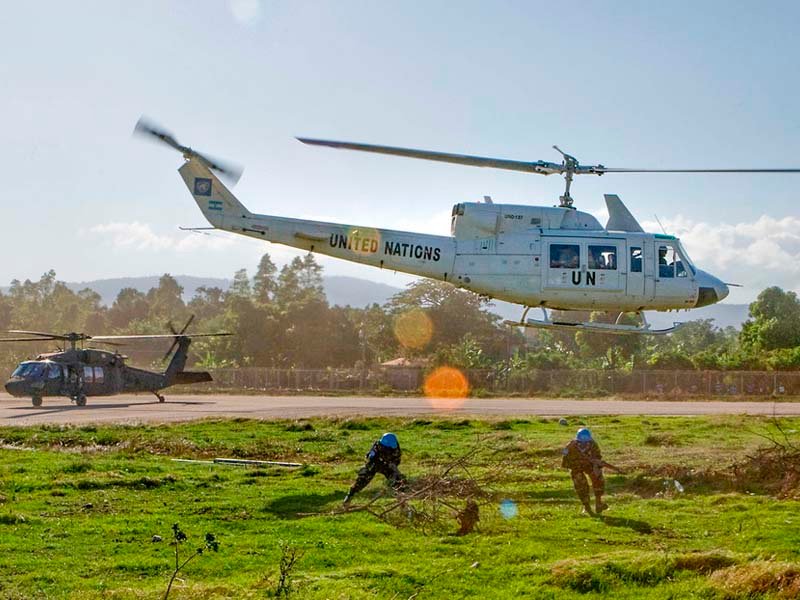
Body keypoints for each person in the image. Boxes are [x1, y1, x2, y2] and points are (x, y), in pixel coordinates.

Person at [343, 432, 407, 504]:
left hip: (388, 466)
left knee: (398, 481)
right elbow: (370, 458)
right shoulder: (377, 447)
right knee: (363, 478)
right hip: (375, 463)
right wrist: (373, 462)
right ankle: (349, 496)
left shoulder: (396, 449)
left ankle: (402, 499)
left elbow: (397, 460)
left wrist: (392, 466)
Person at [562, 428, 608, 515]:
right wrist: (568, 449)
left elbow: (598, 456)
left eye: (586, 442)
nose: (584, 444)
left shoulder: (593, 444)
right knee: (580, 485)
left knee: (598, 478)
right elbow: (564, 456)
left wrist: (596, 466)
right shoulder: (570, 445)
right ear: (577, 440)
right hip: (576, 467)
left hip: (589, 465)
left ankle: (598, 503)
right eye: (581, 442)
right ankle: (587, 507)